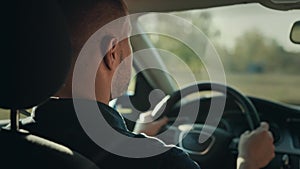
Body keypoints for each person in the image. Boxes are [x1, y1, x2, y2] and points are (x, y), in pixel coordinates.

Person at [22, 0, 275, 169]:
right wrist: (248, 162)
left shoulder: (14, 140)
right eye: (128, 40)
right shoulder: (164, 163)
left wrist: (135, 137)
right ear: (112, 53)